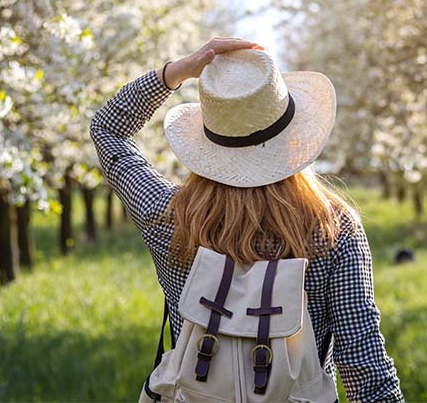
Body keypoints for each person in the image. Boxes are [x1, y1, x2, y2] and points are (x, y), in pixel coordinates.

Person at [90, 36, 404, 402]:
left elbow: (107, 130)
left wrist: (174, 73)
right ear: (293, 139)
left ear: (206, 144)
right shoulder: (333, 229)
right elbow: (364, 367)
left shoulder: (168, 217)